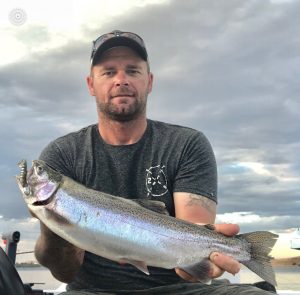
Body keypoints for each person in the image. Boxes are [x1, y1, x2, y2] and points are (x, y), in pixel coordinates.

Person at [34, 30, 275, 294]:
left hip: (180, 288)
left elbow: (192, 226)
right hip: (91, 290)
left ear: (149, 82)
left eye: (133, 71)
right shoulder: (62, 154)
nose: (121, 80)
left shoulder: (186, 143)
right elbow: (64, 272)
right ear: (91, 84)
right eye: (109, 71)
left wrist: (203, 260)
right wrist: (53, 225)